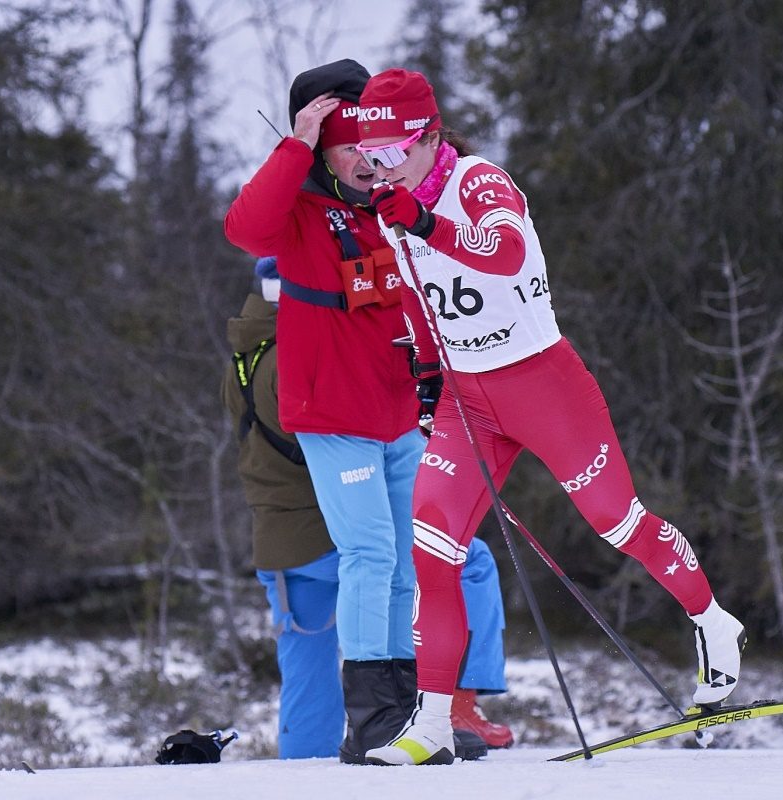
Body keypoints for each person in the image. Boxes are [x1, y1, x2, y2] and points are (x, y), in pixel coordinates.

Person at [353, 69, 747, 766]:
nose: (381, 169)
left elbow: (502, 255)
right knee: (432, 549)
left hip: (543, 386)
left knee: (618, 523)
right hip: (466, 398)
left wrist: (424, 221)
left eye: (391, 154)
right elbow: (416, 296)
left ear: (429, 138)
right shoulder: (396, 206)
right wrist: (424, 375)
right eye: (369, 157)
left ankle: (715, 623)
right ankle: (433, 722)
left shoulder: (478, 183)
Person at [222, 62, 512, 762]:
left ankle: (415, 711)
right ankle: (374, 717)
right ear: (322, 144)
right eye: (347, 140)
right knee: (370, 553)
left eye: (373, 138)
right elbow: (244, 229)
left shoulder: (391, 203)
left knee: (414, 563)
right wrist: (296, 145)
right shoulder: (297, 209)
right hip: (331, 415)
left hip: (398, 415)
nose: (363, 156)